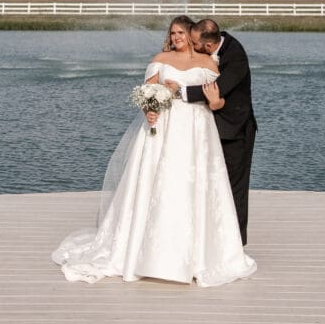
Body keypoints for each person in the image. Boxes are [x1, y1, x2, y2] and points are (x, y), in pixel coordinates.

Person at [52, 15, 256, 287]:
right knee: (163, 184)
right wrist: (149, 109)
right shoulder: (161, 58)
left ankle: (200, 254)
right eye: (173, 33)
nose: (177, 38)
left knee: (194, 186)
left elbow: (217, 101)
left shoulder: (210, 63)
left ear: (195, 38)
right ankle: (149, 251)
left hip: (197, 134)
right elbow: (149, 92)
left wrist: (214, 102)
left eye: (182, 33)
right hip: (165, 131)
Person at [166, 18, 256, 245]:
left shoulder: (236, 58)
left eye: (194, 41)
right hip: (211, 126)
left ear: (207, 45)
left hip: (235, 130)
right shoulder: (216, 39)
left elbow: (215, 89)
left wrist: (179, 91)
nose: (192, 44)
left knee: (235, 187)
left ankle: (236, 242)